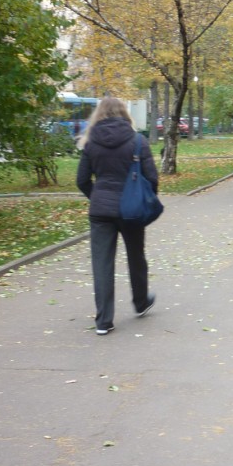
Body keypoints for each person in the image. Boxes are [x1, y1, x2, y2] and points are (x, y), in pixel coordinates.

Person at [76, 97, 158, 335]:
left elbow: (81, 180)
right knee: (136, 257)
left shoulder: (90, 142)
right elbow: (152, 178)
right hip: (131, 210)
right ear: (125, 113)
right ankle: (141, 302)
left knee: (102, 265)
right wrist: (144, 201)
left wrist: (98, 198)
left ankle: (103, 321)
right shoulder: (137, 141)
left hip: (100, 212)